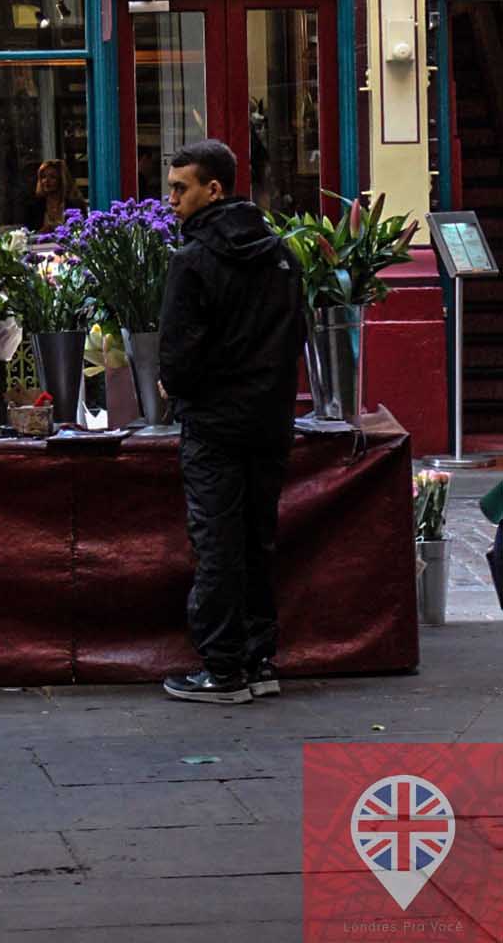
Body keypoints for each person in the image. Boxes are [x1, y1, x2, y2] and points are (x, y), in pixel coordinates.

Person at [157, 138, 306, 706]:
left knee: (217, 542)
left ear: (212, 189)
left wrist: (181, 388)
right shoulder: (280, 255)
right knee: (256, 539)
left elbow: (177, 356)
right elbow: (296, 335)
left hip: (215, 425)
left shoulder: (192, 260)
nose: (171, 200)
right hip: (269, 419)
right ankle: (259, 660)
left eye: (180, 188)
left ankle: (221, 670)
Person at [25, 157, 74, 236]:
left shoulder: (73, 205)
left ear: (62, 180)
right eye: (43, 177)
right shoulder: (34, 206)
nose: (46, 181)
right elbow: (28, 234)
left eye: (52, 177)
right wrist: (41, 232)